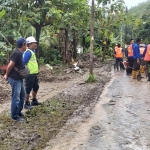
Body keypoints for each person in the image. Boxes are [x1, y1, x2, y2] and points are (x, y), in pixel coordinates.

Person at [3, 38, 27, 122]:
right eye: (26, 44)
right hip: (14, 78)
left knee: (22, 95)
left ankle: (18, 111)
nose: (26, 46)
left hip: (19, 78)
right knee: (16, 97)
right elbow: (10, 66)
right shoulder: (16, 53)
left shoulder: (19, 53)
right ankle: (15, 115)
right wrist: (6, 74)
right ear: (23, 44)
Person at [23, 36, 41, 109]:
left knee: (36, 86)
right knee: (28, 88)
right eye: (34, 43)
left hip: (34, 73)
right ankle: (26, 103)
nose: (36, 44)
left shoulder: (33, 51)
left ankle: (34, 100)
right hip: (29, 74)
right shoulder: (28, 52)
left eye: (36, 43)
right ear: (30, 44)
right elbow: (23, 63)